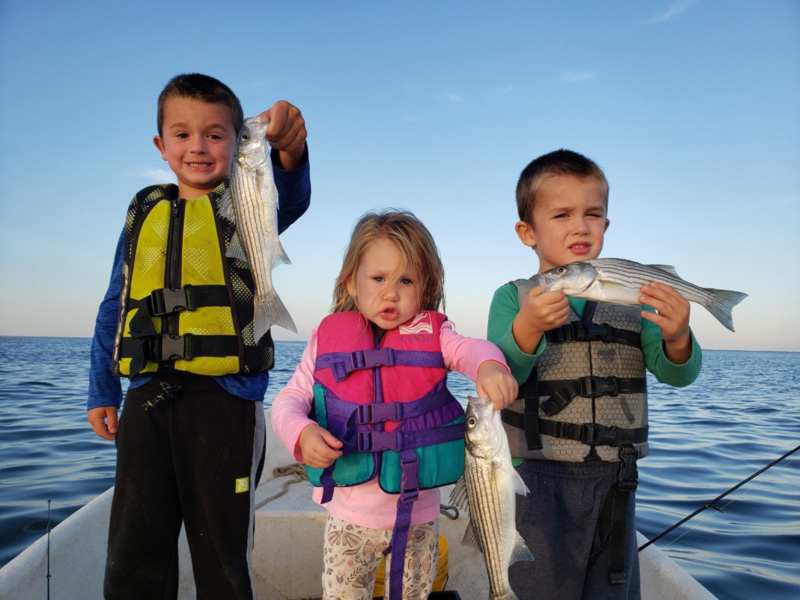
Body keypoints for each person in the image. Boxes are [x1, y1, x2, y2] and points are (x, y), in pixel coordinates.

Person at [86, 73, 311, 599]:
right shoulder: (145, 212)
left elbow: (291, 196)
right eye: (183, 134)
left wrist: (292, 152)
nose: (199, 146)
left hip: (226, 399)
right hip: (146, 398)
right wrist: (101, 386)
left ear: (237, 144)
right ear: (161, 146)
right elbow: (115, 303)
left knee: (223, 555)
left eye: (215, 134)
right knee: (134, 552)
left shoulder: (246, 198)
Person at [487, 149, 703, 599]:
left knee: (611, 591)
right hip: (536, 483)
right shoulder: (511, 299)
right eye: (562, 214)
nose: (580, 226)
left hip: (616, 482)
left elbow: (677, 374)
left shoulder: (634, 300)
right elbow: (501, 373)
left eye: (593, 214)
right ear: (527, 232)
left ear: (606, 225)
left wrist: (679, 335)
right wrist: (527, 326)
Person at [270, 210, 519, 600]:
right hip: (347, 521)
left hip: (417, 520)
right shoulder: (326, 338)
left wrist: (490, 366)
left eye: (406, 280)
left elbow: (471, 349)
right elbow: (287, 401)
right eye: (378, 278)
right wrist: (302, 433)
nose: (391, 292)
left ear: (424, 287)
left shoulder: (435, 334)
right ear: (352, 283)